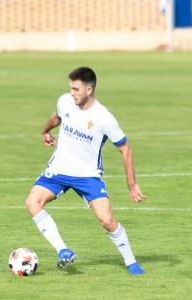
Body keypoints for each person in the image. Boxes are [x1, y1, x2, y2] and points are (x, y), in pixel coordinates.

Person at [25, 66, 146, 275]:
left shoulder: (104, 118)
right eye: (70, 88)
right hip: (59, 169)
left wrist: (132, 186)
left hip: (87, 175)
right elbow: (57, 116)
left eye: (76, 89)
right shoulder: (65, 101)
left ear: (89, 90)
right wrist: (45, 130)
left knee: (107, 220)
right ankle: (63, 250)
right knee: (32, 202)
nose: (72, 93)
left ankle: (131, 262)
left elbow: (125, 149)